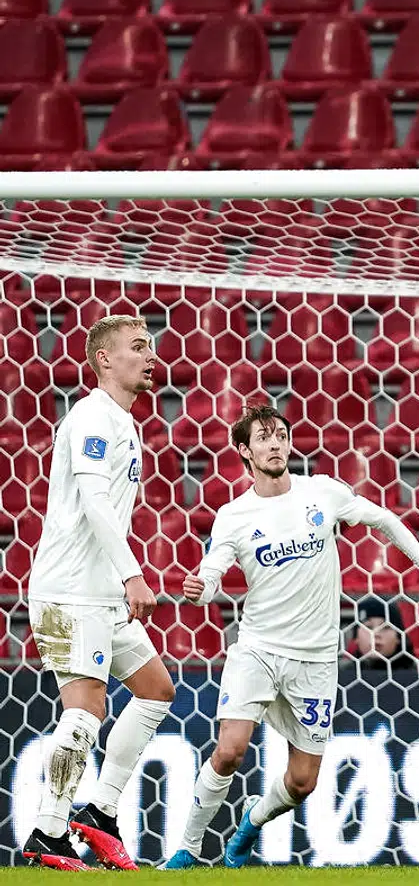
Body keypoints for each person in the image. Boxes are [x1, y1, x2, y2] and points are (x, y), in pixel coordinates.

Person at [162, 403, 419, 869]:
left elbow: (385, 520)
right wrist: (200, 590)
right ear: (245, 450)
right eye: (263, 437)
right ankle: (186, 850)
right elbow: (211, 576)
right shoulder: (234, 515)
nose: (275, 443)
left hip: (317, 660)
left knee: (302, 782)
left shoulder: (322, 493)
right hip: (258, 649)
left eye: (280, 434)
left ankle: (250, 825)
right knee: (231, 749)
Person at [23, 315, 173, 871]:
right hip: (70, 592)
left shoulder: (123, 422)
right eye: (137, 346)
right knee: (84, 713)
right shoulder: (89, 416)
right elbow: (93, 503)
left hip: (101, 592)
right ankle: (47, 832)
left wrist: (120, 579)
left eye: (152, 345)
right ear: (103, 359)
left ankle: (102, 814)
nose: (150, 354)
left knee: (155, 690)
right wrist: (134, 573)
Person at [350, 596, 415, 670]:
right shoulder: (341, 674)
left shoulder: (416, 676)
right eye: (368, 627)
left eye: (386, 627)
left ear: (399, 637)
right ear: (356, 637)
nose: (376, 633)